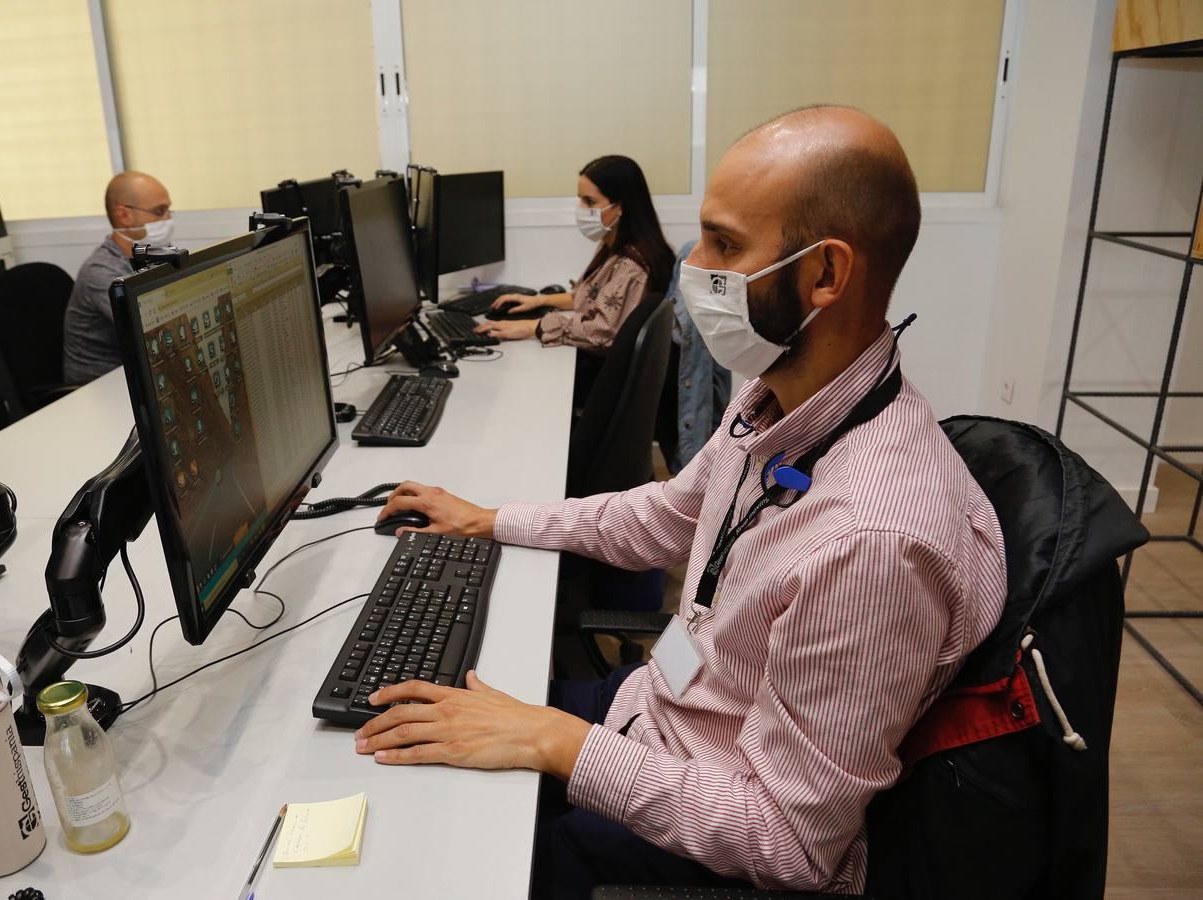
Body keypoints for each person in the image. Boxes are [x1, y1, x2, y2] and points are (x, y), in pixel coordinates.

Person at [354, 106, 1007, 898]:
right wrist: (492, 520)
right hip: (660, 703)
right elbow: (664, 517)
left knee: (444, 845)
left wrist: (555, 742)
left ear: (825, 275)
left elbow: (791, 843)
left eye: (725, 244)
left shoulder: (874, 540)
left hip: (715, 820)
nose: (693, 263)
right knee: (416, 724)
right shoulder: (775, 403)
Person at [476, 155, 675, 354]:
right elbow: (588, 297)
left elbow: (602, 332)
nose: (581, 209)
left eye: (590, 201)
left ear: (620, 207)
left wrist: (533, 326)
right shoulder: (611, 246)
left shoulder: (631, 267)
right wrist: (539, 301)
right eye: (580, 199)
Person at [62, 171, 174, 385]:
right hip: (97, 385)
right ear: (124, 215)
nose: (168, 219)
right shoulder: (101, 270)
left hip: (134, 370)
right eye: (160, 211)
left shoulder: (152, 257)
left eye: (169, 210)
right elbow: (153, 328)